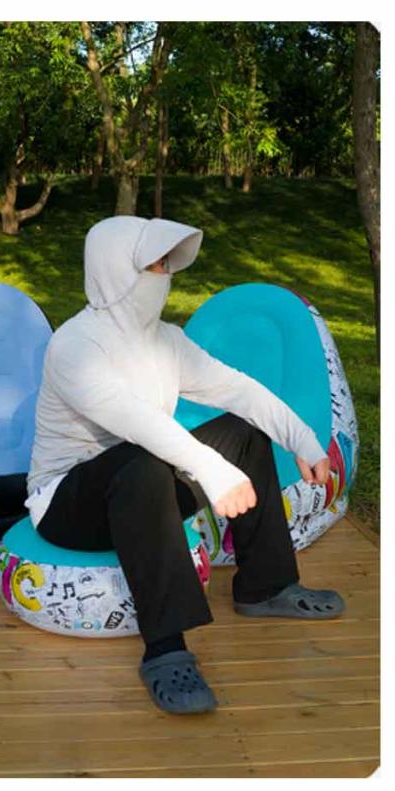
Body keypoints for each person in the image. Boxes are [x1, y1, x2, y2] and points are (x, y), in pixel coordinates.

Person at [24, 215, 345, 715]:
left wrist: (302, 439)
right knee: (144, 461)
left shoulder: (164, 340)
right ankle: (165, 651)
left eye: (166, 264)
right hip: (68, 503)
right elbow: (138, 423)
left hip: (142, 486)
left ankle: (267, 586)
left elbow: (235, 388)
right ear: (116, 271)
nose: (166, 274)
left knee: (242, 434)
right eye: (154, 265)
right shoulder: (75, 347)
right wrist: (214, 472)